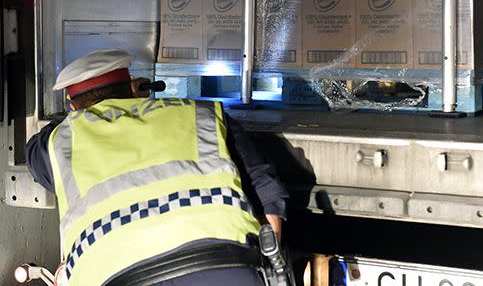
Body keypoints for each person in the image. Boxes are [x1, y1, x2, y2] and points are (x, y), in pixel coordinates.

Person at [26, 49, 288, 286]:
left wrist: (81, 115)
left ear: (73, 108)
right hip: (226, 266)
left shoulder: (61, 141)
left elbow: (34, 150)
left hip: (120, 277)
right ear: (133, 87)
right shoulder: (202, 114)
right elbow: (264, 187)